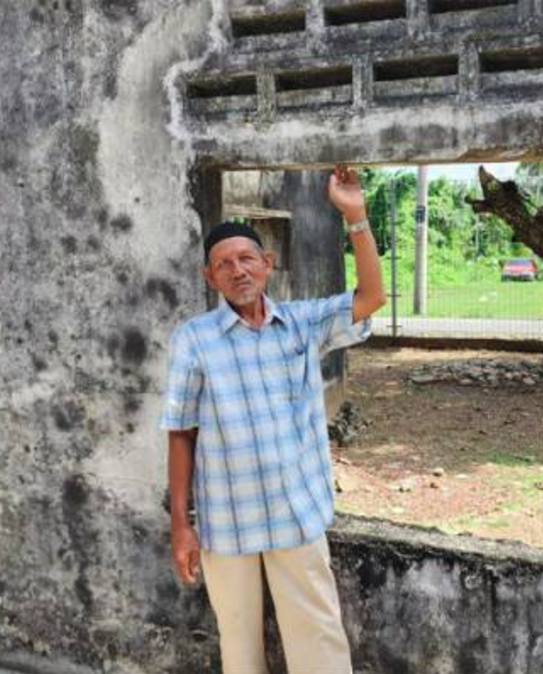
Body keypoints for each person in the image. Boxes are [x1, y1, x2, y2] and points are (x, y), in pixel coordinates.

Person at [159, 165, 386, 673]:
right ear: (209, 277)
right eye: (223, 264)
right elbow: (181, 433)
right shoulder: (194, 340)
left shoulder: (302, 323)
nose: (237, 270)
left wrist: (356, 218)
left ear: (267, 262)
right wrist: (181, 524)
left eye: (246, 258)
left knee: (318, 639)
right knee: (239, 645)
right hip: (225, 519)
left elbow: (370, 298)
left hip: (295, 511)